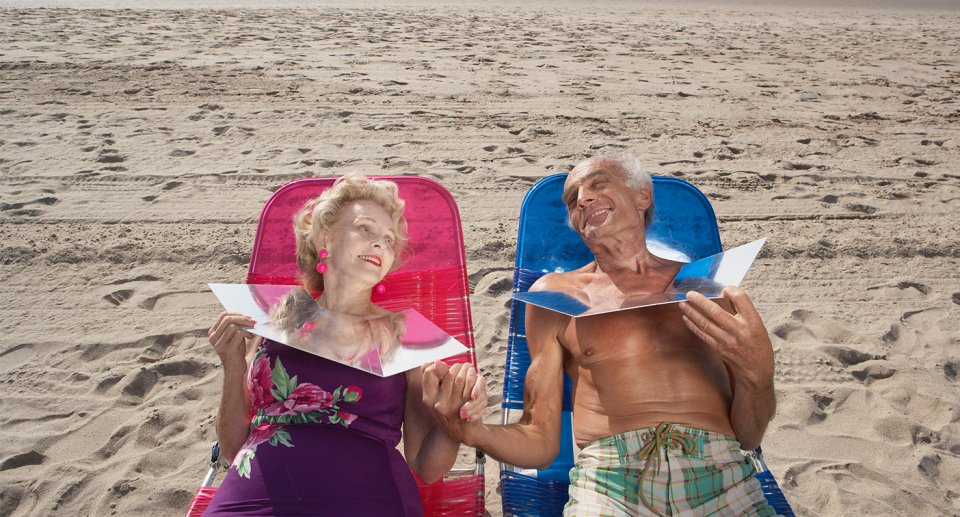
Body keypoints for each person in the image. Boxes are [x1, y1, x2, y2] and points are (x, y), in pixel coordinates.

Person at [425, 155, 777, 516]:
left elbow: (749, 435)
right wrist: (472, 432)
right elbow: (541, 439)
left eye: (598, 184)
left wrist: (759, 374)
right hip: (611, 480)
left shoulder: (708, 284)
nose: (582, 199)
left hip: (718, 472)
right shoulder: (557, 297)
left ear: (642, 195)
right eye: (572, 198)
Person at [204, 172, 486, 516]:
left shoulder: (407, 335)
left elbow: (427, 467)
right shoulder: (270, 318)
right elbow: (234, 449)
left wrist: (454, 419)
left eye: (388, 238)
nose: (381, 243)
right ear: (325, 236)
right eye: (365, 229)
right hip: (253, 500)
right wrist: (232, 366)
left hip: (368, 500)